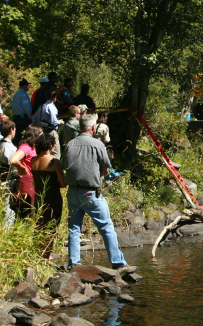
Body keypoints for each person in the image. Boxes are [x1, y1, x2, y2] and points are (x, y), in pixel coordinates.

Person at [64, 114, 137, 274]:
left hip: (72, 192)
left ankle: (73, 265)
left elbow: (66, 165)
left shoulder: (70, 144)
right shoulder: (97, 144)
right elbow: (106, 168)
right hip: (90, 192)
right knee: (106, 227)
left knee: (74, 229)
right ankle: (118, 264)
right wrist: (95, 176)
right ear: (92, 128)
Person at [31, 133, 66, 258]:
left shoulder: (33, 160)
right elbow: (63, 184)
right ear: (51, 146)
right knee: (52, 225)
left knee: (40, 224)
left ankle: (38, 252)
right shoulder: (54, 162)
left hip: (39, 197)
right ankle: (46, 254)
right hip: (53, 197)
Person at [10, 124, 43, 218]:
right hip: (26, 181)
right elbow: (13, 160)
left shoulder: (32, 147)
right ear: (36, 135)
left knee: (31, 210)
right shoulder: (26, 147)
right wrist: (23, 168)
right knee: (26, 210)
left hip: (31, 180)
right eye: (41, 135)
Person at [32, 89, 63, 160]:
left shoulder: (41, 107)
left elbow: (34, 119)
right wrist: (59, 122)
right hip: (51, 131)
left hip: (42, 131)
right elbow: (53, 121)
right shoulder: (51, 107)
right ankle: (53, 168)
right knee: (55, 153)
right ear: (54, 98)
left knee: (43, 151)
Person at [12, 78, 32, 144]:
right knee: (24, 135)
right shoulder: (24, 94)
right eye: (27, 85)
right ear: (25, 86)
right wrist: (29, 116)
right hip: (23, 118)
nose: (28, 87)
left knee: (17, 135)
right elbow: (26, 106)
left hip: (16, 116)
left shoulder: (16, 94)